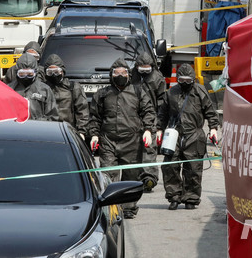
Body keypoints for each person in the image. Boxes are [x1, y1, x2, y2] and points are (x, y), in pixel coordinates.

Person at [88, 57, 155, 219]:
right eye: (116, 72)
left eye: (123, 72)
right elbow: (95, 117)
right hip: (108, 140)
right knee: (108, 174)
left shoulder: (138, 92)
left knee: (131, 175)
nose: (120, 75)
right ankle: (111, 206)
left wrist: (148, 129)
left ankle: (129, 207)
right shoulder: (103, 94)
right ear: (111, 75)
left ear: (128, 74)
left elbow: (148, 111)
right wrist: (94, 135)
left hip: (132, 140)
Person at [156, 64, 219, 210]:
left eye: (188, 80)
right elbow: (163, 113)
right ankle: (174, 196)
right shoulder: (171, 92)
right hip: (175, 134)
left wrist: (213, 128)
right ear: (178, 79)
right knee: (170, 166)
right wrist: (159, 129)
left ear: (193, 79)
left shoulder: (199, 91)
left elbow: (210, 110)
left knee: (193, 168)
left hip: (194, 134)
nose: (185, 83)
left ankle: (191, 197)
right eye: (182, 80)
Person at [131, 52, 167, 193]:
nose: (145, 70)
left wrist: (159, 125)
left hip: (151, 116)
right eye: (142, 67)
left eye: (147, 67)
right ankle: (135, 177)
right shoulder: (131, 76)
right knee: (133, 149)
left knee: (149, 148)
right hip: (133, 117)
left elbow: (162, 102)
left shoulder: (157, 79)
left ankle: (149, 178)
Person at [43, 54, 90, 139]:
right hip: (48, 132)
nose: (54, 75)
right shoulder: (43, 88)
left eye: (56, 72)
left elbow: (82, 110)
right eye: (50, 72)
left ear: (62, 71)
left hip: (68, 132)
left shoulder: (73, 87)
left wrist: (81, 132)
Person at [7, 52, 59, 121]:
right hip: (15, 129)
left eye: (29, 74)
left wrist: (37, 122)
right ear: (17, 73)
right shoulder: (9, 89)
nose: (26, 77)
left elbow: (53, 116)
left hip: (37, 130)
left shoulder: (45, 90)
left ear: (35, 72)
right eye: (22, 74)